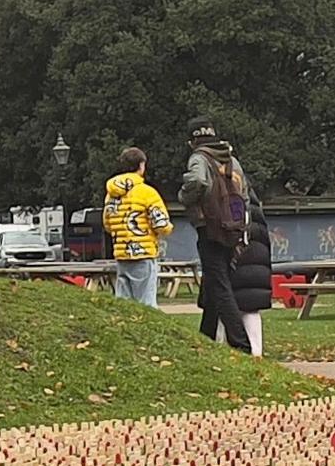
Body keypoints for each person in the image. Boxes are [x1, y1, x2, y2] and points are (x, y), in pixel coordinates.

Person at [179, 124, 264, 355]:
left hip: (211, 226)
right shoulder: (231, 158)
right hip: (233, 227)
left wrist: (185, 198)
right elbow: (244, 192)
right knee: (214, 281)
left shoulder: (199, 158)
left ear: (192, 141)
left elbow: (197, 182)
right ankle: (205, 337)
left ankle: (241, 344)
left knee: (220, 285)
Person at [100, 146, 170, 309]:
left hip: (121, 253)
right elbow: (161, 224)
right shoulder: (147, 192)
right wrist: (166, 230)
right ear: (141, 165)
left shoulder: (111, 194)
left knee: (124, 304)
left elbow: (107, 223)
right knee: (146, 304)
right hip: (143, 253)